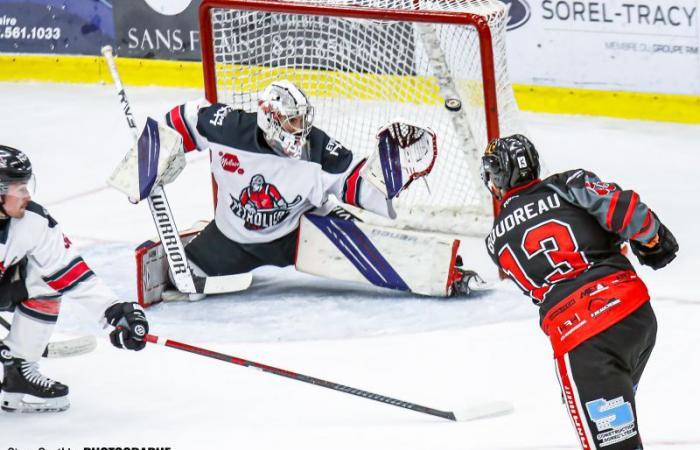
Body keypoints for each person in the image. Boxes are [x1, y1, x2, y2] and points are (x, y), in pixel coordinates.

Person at [162, 79, 474, 297]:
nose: (300, 129)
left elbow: (354, 184)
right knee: (181, 279)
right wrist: (155, 154)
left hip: (297, 232)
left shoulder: (317, 147)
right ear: (270, 119)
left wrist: (394, 173)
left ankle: (435, 267)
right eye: (292, 122)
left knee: (364, 246)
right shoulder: (229, 129)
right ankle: (204, 236)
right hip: (231, 239)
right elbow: (182, 120)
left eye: (302, 120)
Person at [480, 135, 678, 449]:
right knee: (618, 424)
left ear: (496, 178)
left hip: (584, 337)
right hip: (635, 316)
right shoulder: (568, 183)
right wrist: (652, 238)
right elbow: (625, 212)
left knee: (614, 442)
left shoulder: (495, 241)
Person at [0, 145, 150, 413]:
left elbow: (68, 271)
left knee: (46, 280)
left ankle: (19, 370)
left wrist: (114, 311)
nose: (27, 194)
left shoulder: (32, 221)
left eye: (26, 185)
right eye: (18, 188)